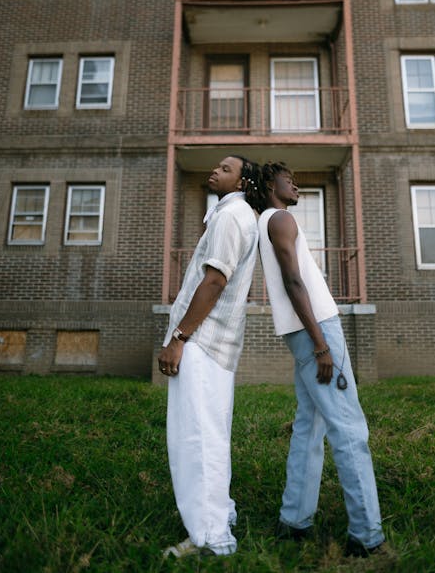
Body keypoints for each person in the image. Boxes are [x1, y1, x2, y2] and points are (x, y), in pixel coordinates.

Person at [257, 161, 386, 558]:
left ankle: (294, 520)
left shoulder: (266, 220)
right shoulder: (279, 219)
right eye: (289, 179)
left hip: (300, 332)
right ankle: (367, 536)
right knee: (348, 429)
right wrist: (321, 345)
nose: (295, 184)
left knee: (308, 426)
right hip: (317, 331)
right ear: (269, 185)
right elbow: (294, 282)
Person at [158, 155, 261, 559]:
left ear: (243, 183)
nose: (215, 170)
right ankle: (220, 516)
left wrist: (179, 337)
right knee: (211, 439)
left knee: (195, 440)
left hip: (201, 343)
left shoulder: (230, 217)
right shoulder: (234, 215)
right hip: (215, 345)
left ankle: (208, 538)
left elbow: (215, 279)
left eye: (225, 168)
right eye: (216, 165)